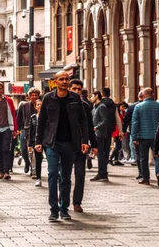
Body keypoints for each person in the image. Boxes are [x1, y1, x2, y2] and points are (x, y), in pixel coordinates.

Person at [35, 71, 88, 221]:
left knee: (65, 177)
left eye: (67, 79)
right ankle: (54, 209)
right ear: (55, 81)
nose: (65, 82)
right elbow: (42, 121)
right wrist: (38, 141)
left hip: (70, 143)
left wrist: (84, 140)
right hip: (52, 142)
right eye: (61, 79)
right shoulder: (48, 98)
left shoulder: (75, 98)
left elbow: (83, 121)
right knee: (52, 174)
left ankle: (64, 209)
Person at [69, 79, 97, 213]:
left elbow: (89, 126)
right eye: (74, 89)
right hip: (66, 144)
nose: (76, 91)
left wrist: (94, 144)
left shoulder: (86, 106)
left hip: (81, 145)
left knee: (80, 174)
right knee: (64, 175)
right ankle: (63, 201)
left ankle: (77, 202)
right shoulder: (62, 103)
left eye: (79, 89)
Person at [132, 88, 159, 186]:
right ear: (152, 95)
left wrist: (134, 137)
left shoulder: (138, 107)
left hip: (143, 136)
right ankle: (158, 173)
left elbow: (135, 123)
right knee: (158, 156)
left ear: (143, 95)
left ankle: (146, 178)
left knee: (143, 158)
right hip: (157, 136)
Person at [17, 88, 41, 175]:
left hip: (36, 130)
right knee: (23, 150)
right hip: (25, 129)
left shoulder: (41, 105)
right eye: (32, 95)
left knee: (34, 151)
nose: (34, 97)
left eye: (36, 95)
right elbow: (19, 118)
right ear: (29, 96)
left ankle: (33, 169)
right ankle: (27, 163)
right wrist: (18, 129)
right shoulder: (24, 105)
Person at [90, 91, 110, 182]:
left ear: (97, 96)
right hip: (96, 133)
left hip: (99, 133)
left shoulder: (102, 107)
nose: (91, 98)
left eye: (92, 96)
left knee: (100, 153)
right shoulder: (95, 107)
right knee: (99, 153)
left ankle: (102, 173)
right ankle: (101, 172)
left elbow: (105, 120)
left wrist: (96, 127)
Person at [27, 100, 43, 186]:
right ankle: (38, 177)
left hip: (46, 140)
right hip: (36, 141)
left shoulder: (46, 116)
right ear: (35, 107)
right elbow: (30, 131)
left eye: (41, 104)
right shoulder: (33, 117)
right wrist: (30, 144)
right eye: (38, 105)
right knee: (38, 159)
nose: (39, 106)